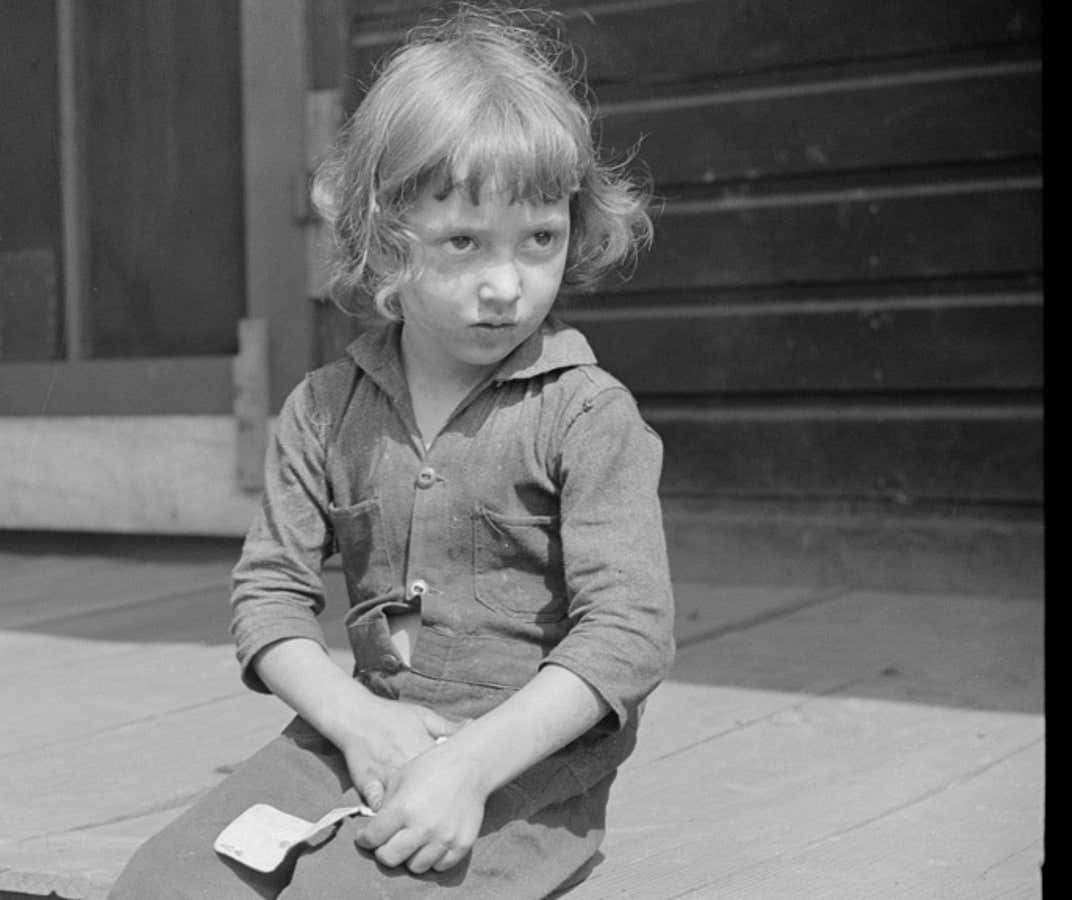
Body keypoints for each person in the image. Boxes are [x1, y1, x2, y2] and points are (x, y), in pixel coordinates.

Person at [108, 5, 673, 897]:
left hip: (524, 763)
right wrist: (358, 722)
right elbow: (269, 598)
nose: (506, 285)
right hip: (360, 734)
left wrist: (468, 767)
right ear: (385, 241)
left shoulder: (587, 416)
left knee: (348, 891)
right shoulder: (325, 411)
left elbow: (630, 633)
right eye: (462, 242)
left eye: (541, 239)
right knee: (165, 885)